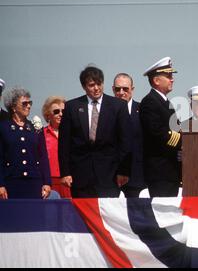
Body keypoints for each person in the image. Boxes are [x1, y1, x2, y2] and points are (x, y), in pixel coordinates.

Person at [58, 65, 132, 198]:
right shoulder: (72, 107)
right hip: (80, 176)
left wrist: (124, 171)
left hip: (110, 175)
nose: (96, 88)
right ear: (84, 86)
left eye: (99, 84)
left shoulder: (118, 106)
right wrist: (65, 173)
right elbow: (64, 143)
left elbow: (125, 141)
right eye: (92, 85)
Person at [139, 57, 182, 197]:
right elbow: (158, 133)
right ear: (156, 81)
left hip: (170, 170)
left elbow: (175, 128)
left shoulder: (165, 102)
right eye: (168, 76)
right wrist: (184, 141)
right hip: (160, 171)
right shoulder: (149, 102)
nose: (172, 79)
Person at [0, 88, 51, 199]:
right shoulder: (3, 128)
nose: (28, 106)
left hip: (34, 183)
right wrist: (1, 184)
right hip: (11, 183)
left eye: (30, 103)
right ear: (13, 107)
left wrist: (47, 182)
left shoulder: (35, 128)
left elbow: (43, 157)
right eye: (24, 103)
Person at [112, 73, 146, 198]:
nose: (121, 92)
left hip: (137, 176)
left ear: (132, 89)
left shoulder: (142, 110)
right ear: (112, 89)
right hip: (111, 177)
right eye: (117, 89)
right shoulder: (104, 111)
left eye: (125, 89)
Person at [42, 96, 71, 198]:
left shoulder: (74, 134)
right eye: (56, 111)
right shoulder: (41, 134)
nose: (61, 114)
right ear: (48, 115)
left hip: (69, 180)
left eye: (63, 111)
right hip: (50, 182)